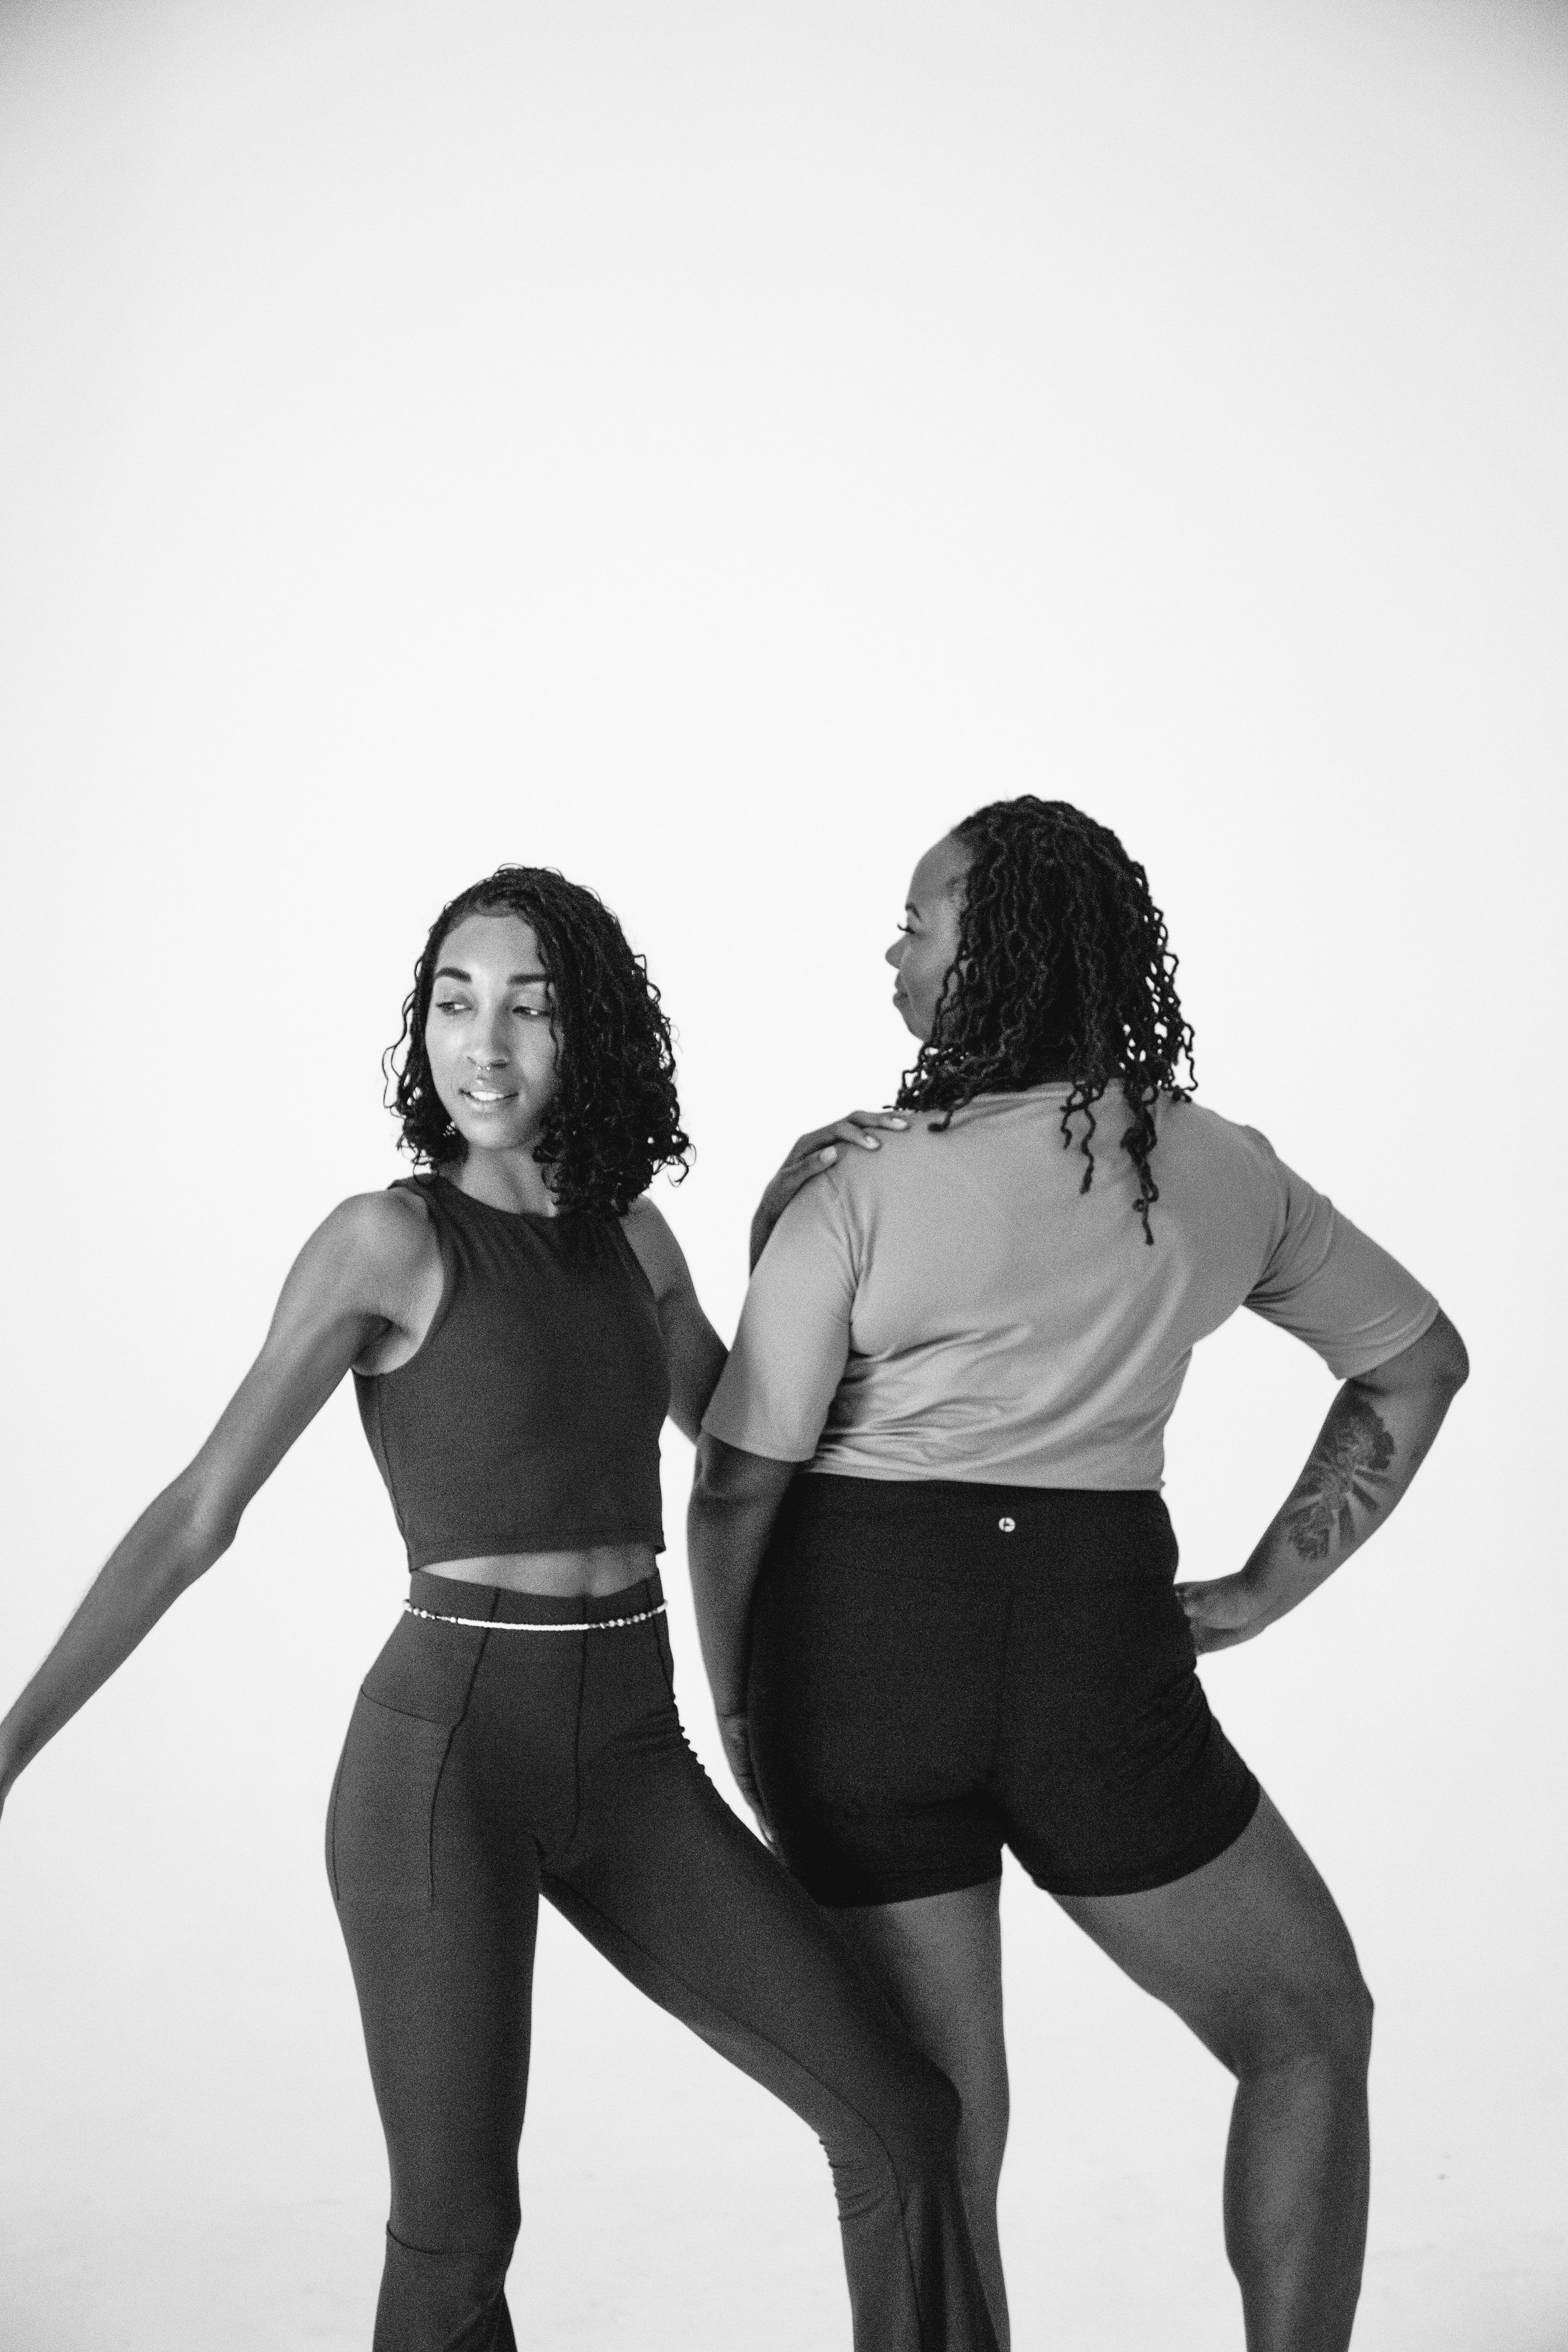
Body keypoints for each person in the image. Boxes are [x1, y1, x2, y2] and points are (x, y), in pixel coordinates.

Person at [0, 866, 999, 2352]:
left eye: (527, 1010)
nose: (485, 1044)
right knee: (460, 2231)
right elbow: (198, 1512)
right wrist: (9, 1750)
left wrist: (797, 1212)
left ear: (583, 1035)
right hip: (441, 1763)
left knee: (901, 2117)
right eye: (454, 1006)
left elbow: (747, 1453)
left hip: (635, 1758)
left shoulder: (632, 1239)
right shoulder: (384, 1242)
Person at [688, 798, 1470, 2352]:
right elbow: (1414, 1366)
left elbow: (730, 1484)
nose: (891, 959)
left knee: (933, 2135)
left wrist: (748, 1717)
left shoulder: (854, 1182)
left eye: (915, 925)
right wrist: (1257, 1590)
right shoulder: (1215, 1169)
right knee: (1302, 2028)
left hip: (856, 1664)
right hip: (1090, 1658)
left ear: (992, 950)